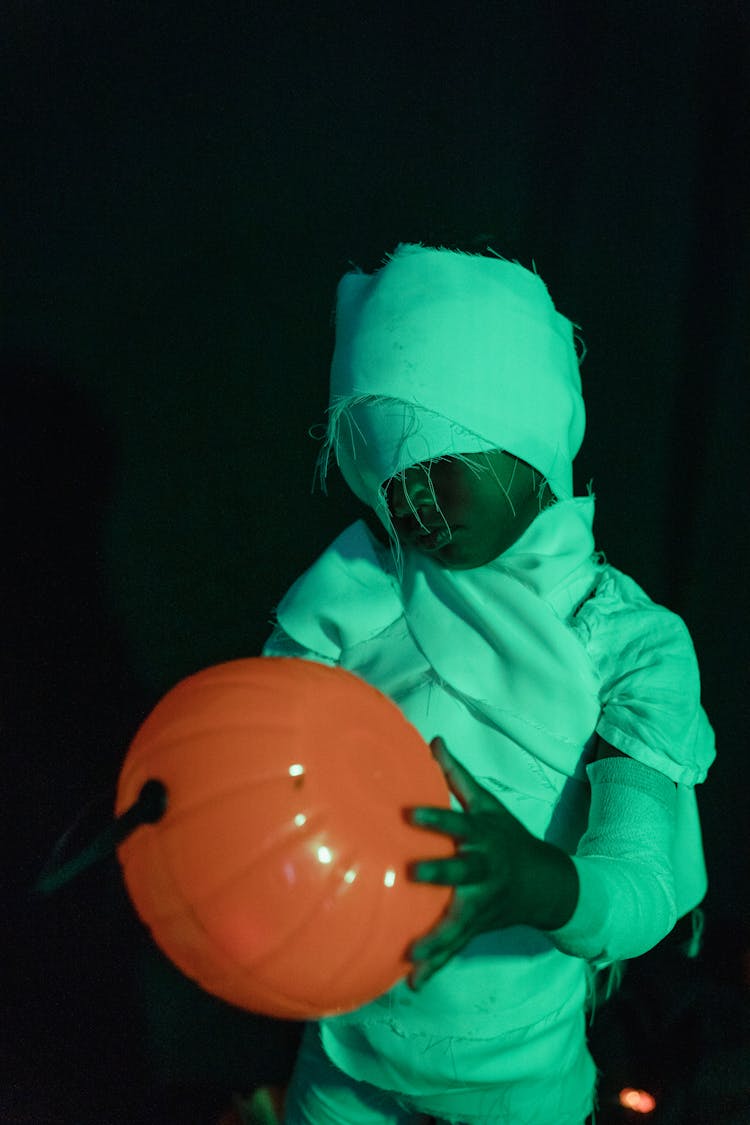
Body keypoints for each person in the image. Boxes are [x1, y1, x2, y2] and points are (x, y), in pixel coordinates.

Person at [261, 243, 715, 1125]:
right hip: (345, 1051)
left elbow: (643, 879)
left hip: (525, 1077)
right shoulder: (351, 597)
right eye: (388, 474)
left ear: (526, 431)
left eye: (438, 461)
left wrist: (540, 883)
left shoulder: (630, 646)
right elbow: (258, 765)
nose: (412, 503)